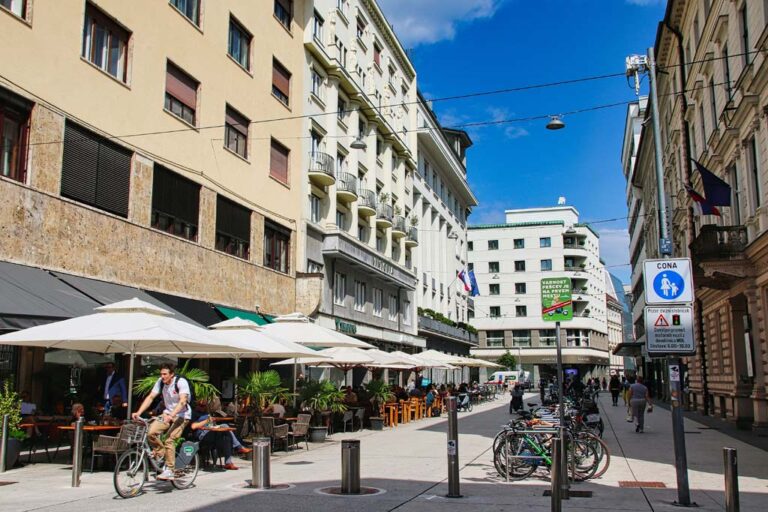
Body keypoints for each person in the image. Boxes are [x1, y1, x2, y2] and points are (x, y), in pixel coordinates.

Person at [132, 363, 191, 481]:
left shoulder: (180, 382)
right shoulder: (160, 382)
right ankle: (161, 452)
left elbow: (183, 401)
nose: (162, 376)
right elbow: (150, 397)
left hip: (182, 415)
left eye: (165, 374)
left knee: (169, 439)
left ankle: (170, 470)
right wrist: (138, 412)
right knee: (150, 432)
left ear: (171, 374)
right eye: (161, 374)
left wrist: (172, 415)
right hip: (167, 414)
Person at [190, 398, 250, 471]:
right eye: (201, 406)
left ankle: (228, 463)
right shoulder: (194, 413)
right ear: (196, 406)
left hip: (211, 432)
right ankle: (239, 447)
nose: (203, 408)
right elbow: (193, 426)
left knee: (226, 436)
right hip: (202, 435)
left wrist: (213, 422)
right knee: (225, 426)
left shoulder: (206, 413)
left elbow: (210, 423)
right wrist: (207, 420)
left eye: (204, 406)